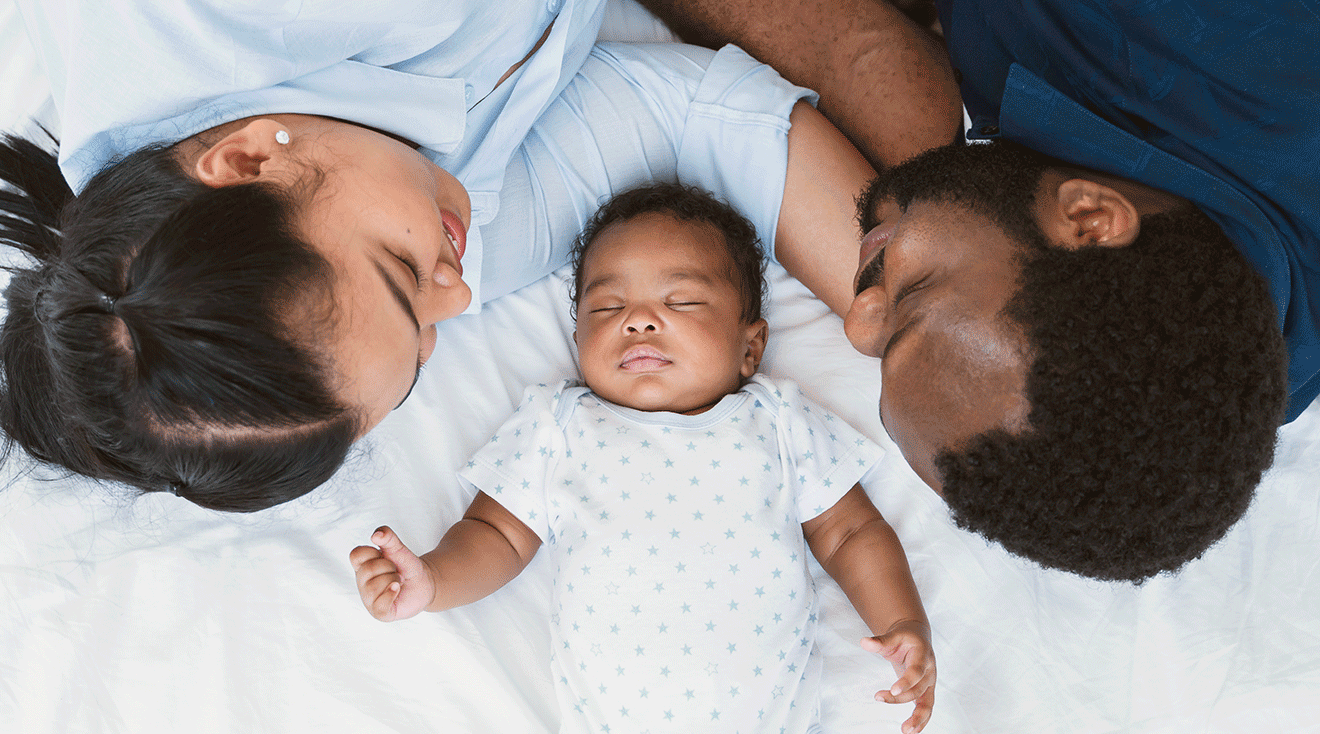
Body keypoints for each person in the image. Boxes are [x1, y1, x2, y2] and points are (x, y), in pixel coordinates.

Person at [0, 0, 873, 511]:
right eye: (422, 351)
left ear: (249, 161)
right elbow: (695, 116)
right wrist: (890, 325)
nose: (455, 298)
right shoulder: (401, 236)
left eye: (398, 270)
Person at [638, 0, 1307, 583]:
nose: (855, 322)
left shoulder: (1200, 382)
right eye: (911, 304)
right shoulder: (1184, 30)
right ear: (1088, 218)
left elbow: (845, 52)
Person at [349, 183, 937, 734]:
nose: (639, 319)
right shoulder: (559, 424)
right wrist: (434, 580)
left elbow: (849, 532)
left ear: (750, 347)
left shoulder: (778, 420)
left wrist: (902, 622)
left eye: (680, 300)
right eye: (606, 308)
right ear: (577, 337)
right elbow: (495, 533)